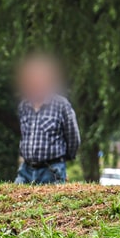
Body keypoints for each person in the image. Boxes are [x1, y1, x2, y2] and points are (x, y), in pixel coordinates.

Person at [15, 54, 80, 184]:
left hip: (52, 169)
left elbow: (73, 137)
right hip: (26, 170)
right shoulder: (24, 106)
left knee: (51, 197)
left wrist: (62, 159)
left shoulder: (61, 105)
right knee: (14, 195)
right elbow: (24, 137)